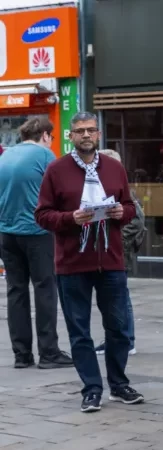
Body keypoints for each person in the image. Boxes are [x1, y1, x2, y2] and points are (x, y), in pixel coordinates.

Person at [35, 111, 144, 413]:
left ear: (98, 135)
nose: (86, 135)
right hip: (72, 264)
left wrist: (124, 213)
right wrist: (71, 218)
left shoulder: (114, 168)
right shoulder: (56, 170)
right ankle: (92, 389)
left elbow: (128, 206)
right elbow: (42, 215)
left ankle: (119, 385)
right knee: (79, 331)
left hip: (110, 261)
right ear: (71, 136)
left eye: (91, 130)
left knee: (119, 328)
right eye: (79, 130)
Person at [0, 117, 73, 369]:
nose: (51, 143)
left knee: (16, 291)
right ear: (44, 135)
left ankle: (22, 355)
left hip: (6, 233)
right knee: (45, 289)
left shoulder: (5, 156)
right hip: (38, 232)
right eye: (51, 138)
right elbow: (62, 195)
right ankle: (49, 353)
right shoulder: (44, 157)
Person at [94, 149, 145, 356]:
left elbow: (137, 222)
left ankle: (126, 340)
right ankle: (116, 339)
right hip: (109, 251)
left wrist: (117, 240)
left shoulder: (123, 191)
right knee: (113, 298)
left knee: (121, 297)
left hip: (119, 252)